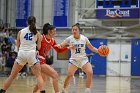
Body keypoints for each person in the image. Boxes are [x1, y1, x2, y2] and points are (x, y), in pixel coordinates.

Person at [0, 16, 45, 93]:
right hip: (31, 54)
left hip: (22, 54)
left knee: (12, 76)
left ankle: (2, 90)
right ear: (35, 22)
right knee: (38, 76)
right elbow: (39, 47)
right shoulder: (37, 33)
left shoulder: (20, 32)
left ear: (27, 22)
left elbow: (17, 45)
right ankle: (43, 92)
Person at [56, 23, 103, 93]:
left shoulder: (84, 38)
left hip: (83, 59)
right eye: (73, 30)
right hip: (74, 60)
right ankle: (64, 89)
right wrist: (62, 45)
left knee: (90, 72)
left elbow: (92, 48)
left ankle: (87, 89)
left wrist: (99, 51)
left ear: (79, 31)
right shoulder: (69, 38)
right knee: (69, 75)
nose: (74, 31)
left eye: (76, 30)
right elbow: (61, 46)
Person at [33, 23, 69, 93]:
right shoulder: (41, 37)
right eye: (54, 31)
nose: (55, 33)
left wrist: (68, 48)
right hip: (37, 60)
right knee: (55, 75)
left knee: (42, 80)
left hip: (43, 61)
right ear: (49, 31)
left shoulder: (52, 40)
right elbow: (34, 47)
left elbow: (59, 50)